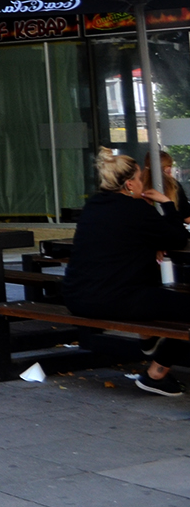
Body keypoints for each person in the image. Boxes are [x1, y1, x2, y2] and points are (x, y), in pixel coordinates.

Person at [63, 149, 190, 396]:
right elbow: (177, 238)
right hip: (115, 299)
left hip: (76, 297)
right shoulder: (136, 209)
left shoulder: (92, 206)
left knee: (162, 299)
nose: (143, 183)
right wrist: (166, 204)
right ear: (130, 184)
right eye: (140, 178)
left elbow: (124, 238)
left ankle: (149, 339)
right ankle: (156, 374)